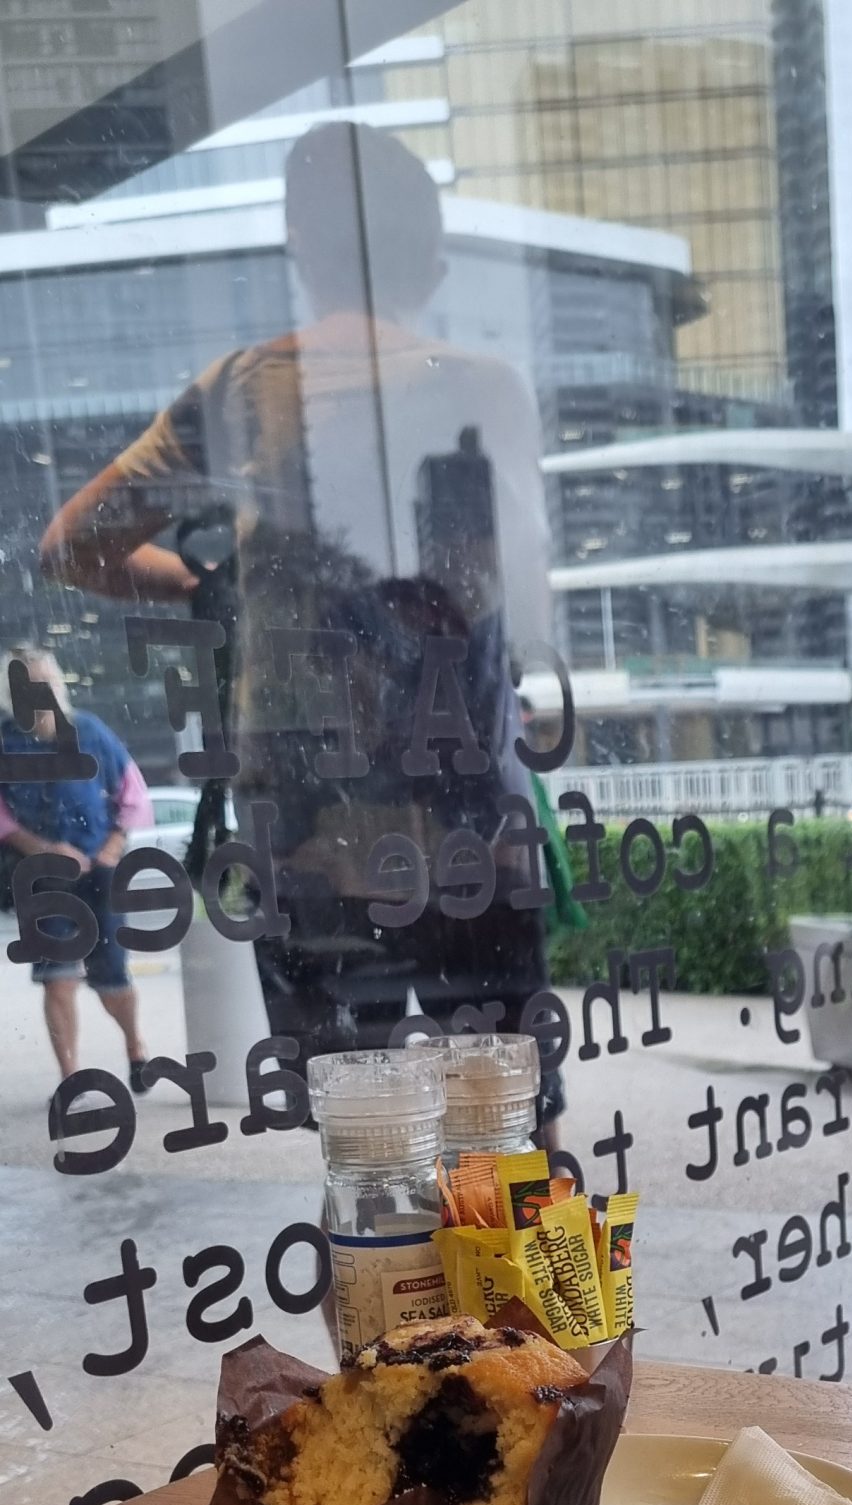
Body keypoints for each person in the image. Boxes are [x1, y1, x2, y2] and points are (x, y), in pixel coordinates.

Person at [38, 121, 563, 1134]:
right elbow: (525, 589)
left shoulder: (240, 391)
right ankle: (505, 1243)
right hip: (468, 822)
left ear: (300, 249)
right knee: (509, 1129)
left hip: (310, 832)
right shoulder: (484, 386)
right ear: (433, 258)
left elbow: (72, 548)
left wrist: (212, 587)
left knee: (361, 1147)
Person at [0, 651, 155, 1087]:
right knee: (58, 980)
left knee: (112, 980)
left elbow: (133, 794)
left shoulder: (90, 731)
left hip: (99, 873)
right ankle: (71, 1080)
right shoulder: (4, 742)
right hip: (43, 877)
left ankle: (135, 1046)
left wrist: (111, 849)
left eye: (47, 682)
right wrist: (41, 848)